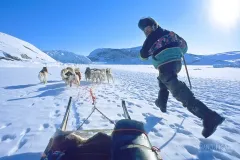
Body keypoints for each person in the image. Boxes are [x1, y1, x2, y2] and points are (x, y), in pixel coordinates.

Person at [138, 17, 225, 138]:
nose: (146, 32)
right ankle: (161, 103)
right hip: (176, 64)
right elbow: (184, 46)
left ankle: (210, 117)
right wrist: (177, 51)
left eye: (146, 29)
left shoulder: (150, 38)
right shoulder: (171, 33)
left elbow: (143, 56)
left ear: (153, 26)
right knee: (162, 80)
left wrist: (149, 48)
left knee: (178, 92)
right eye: (144, 31)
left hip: (165, 65)